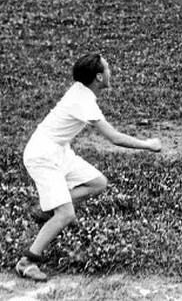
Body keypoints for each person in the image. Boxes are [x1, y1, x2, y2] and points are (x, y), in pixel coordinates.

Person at [16, 54, 162, 282]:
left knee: (98, 183)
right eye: (108, 67)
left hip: (59, 150)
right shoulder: (83, 101)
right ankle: (28, 261)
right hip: (42, 156)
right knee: (65, 214)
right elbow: (114, 138)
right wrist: (148, 145)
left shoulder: (81, 90)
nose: (111, 71)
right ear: (99, 77)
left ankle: (46, 210)